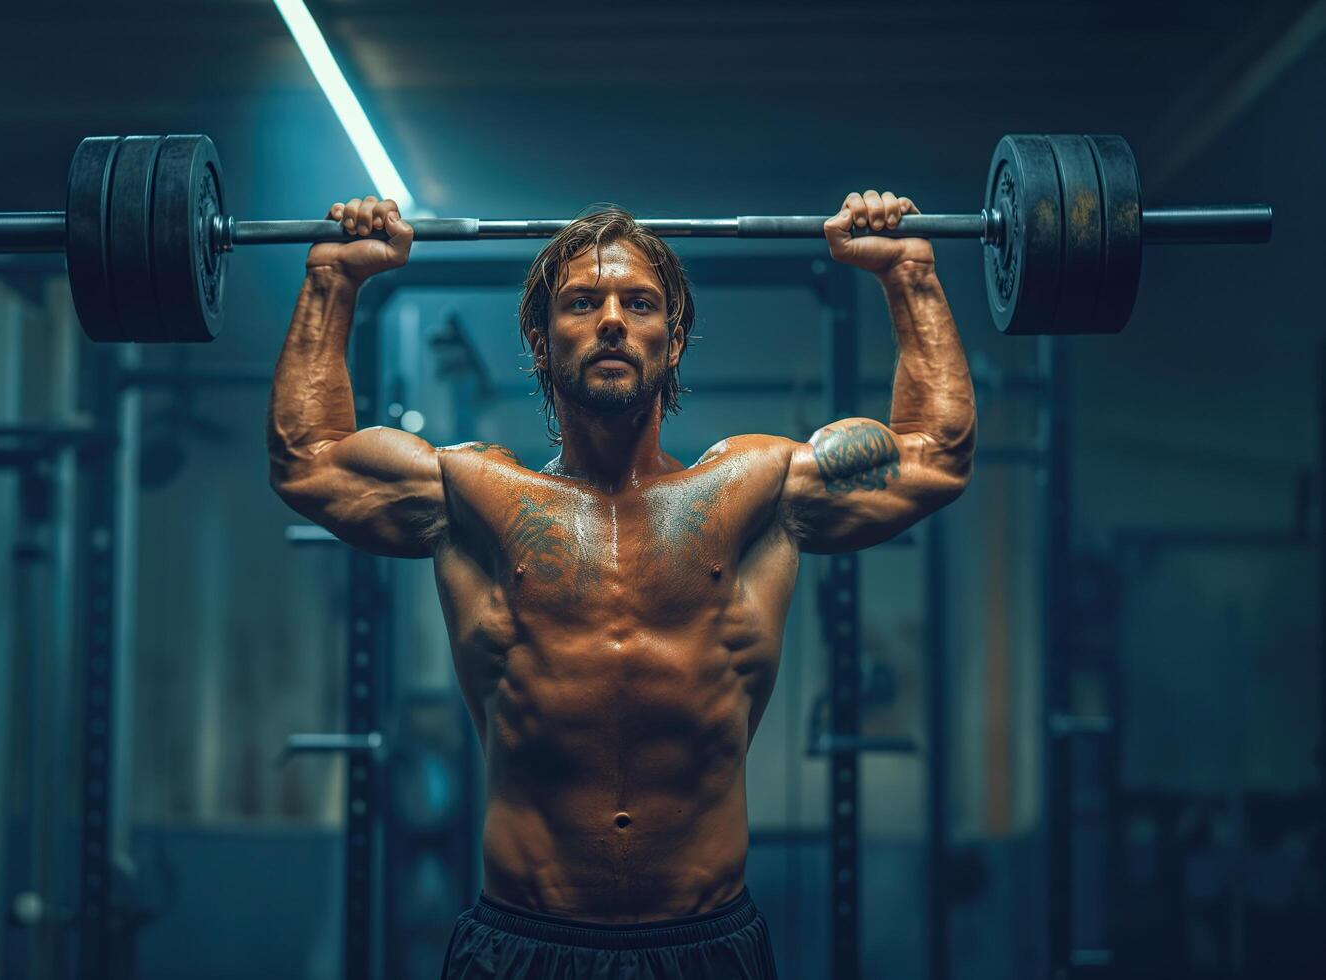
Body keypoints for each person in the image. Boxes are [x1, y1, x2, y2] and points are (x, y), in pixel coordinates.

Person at [267, 190, 976, 979]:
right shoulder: (472, 498)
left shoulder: (756, 492)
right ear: (540, 340)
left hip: (705, 946)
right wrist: (333, 277)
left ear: (671, 343)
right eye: (581, 303)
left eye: (638, 304)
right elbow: (308, 460)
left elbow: (935, 455)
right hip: (522, 943)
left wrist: (907, 273)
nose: (611, 320)